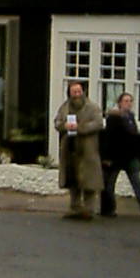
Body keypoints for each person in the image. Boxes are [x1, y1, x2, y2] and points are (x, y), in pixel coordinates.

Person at [99, 92, 140, 219]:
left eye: (130, 101)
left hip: (130, 156)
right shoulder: (113, 118)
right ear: (119, 103)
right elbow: (109, 138)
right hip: (116, 156)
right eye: (126, 101)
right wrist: (107, 157)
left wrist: (138, 155)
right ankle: (108, 209)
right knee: (109, 184)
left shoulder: (131, 117)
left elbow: (134, 137)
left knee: (137, 183)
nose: (129, 104)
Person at [53, 81, 103, 220]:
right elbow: (57, 122)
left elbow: (98, 123)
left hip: (87, 150)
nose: (77, 95)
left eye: (79, 91)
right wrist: (64, 126)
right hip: (70, 149)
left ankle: (89, 209)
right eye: (74, 92)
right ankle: (74, 208)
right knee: (72, 179)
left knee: (89, 181)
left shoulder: (93, 108)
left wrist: (80, 127)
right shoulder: (64, 107)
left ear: (83, 92)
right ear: (69, 93)